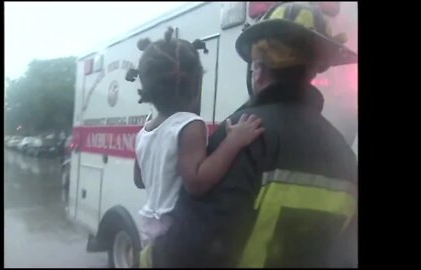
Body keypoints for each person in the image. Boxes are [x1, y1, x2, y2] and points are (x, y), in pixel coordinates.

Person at [151, 2, 358, 268]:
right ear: (315, 69)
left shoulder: (242, 135)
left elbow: (191, 253)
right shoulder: (345, 155)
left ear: (258, 70)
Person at [125, 27, 265, 266]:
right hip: (177, 230)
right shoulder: (190, 125)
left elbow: (139, 180)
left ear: (147, 89)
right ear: (196, 84)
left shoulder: (145, 129)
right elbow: (197, 183)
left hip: (152, 226)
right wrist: (233, 141)